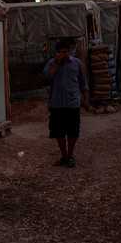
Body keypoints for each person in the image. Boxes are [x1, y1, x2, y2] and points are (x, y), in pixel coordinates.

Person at [43, 39, 89, 168]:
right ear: (56, 52)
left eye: (66, 51)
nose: (64, 54)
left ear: (69, 51)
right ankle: (64, 156)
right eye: (61, 52)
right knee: (59, 132)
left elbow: (83, 83)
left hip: (73, 103)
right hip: (57, 103)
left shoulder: (76, 63)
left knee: (73, 131)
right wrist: (57, 63)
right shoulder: (52, 63)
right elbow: (47, 77)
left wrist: (85, 100)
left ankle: (70, 155)